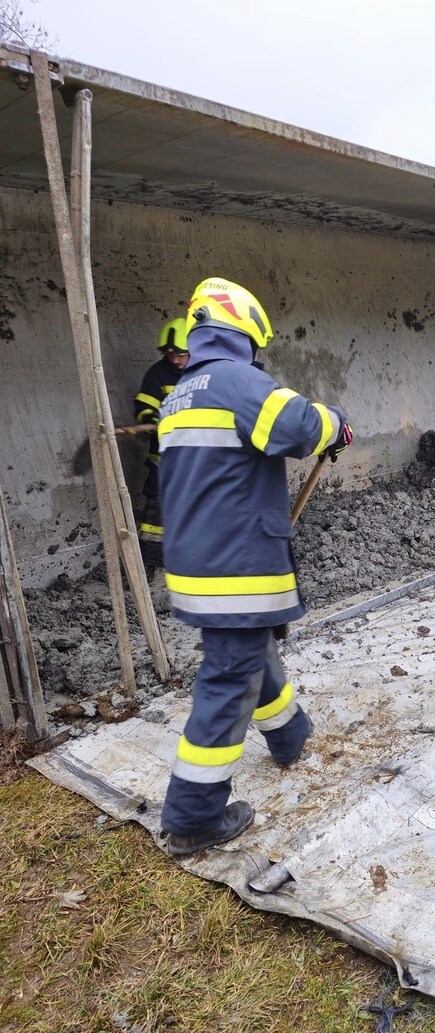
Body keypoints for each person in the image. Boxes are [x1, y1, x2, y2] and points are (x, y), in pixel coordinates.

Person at [157, 277, 352, 857]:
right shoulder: (238, 381)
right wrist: (336, 420)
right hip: (236, 565)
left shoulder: (181, 392)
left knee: (250, 648)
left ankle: (289, 735)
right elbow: (297, 427)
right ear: (244, 330)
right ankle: (193, 816)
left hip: (199, 562)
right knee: (228, 678)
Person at [133, 319, 189, 574]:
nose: (176, 360)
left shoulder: (205, 373)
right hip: (164, 459)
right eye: (171, 354)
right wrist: (151, 418)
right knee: (156, 515)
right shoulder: (158, 374)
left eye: (182, 354)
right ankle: (149, 566)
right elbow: (144, 406)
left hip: (197, 458)